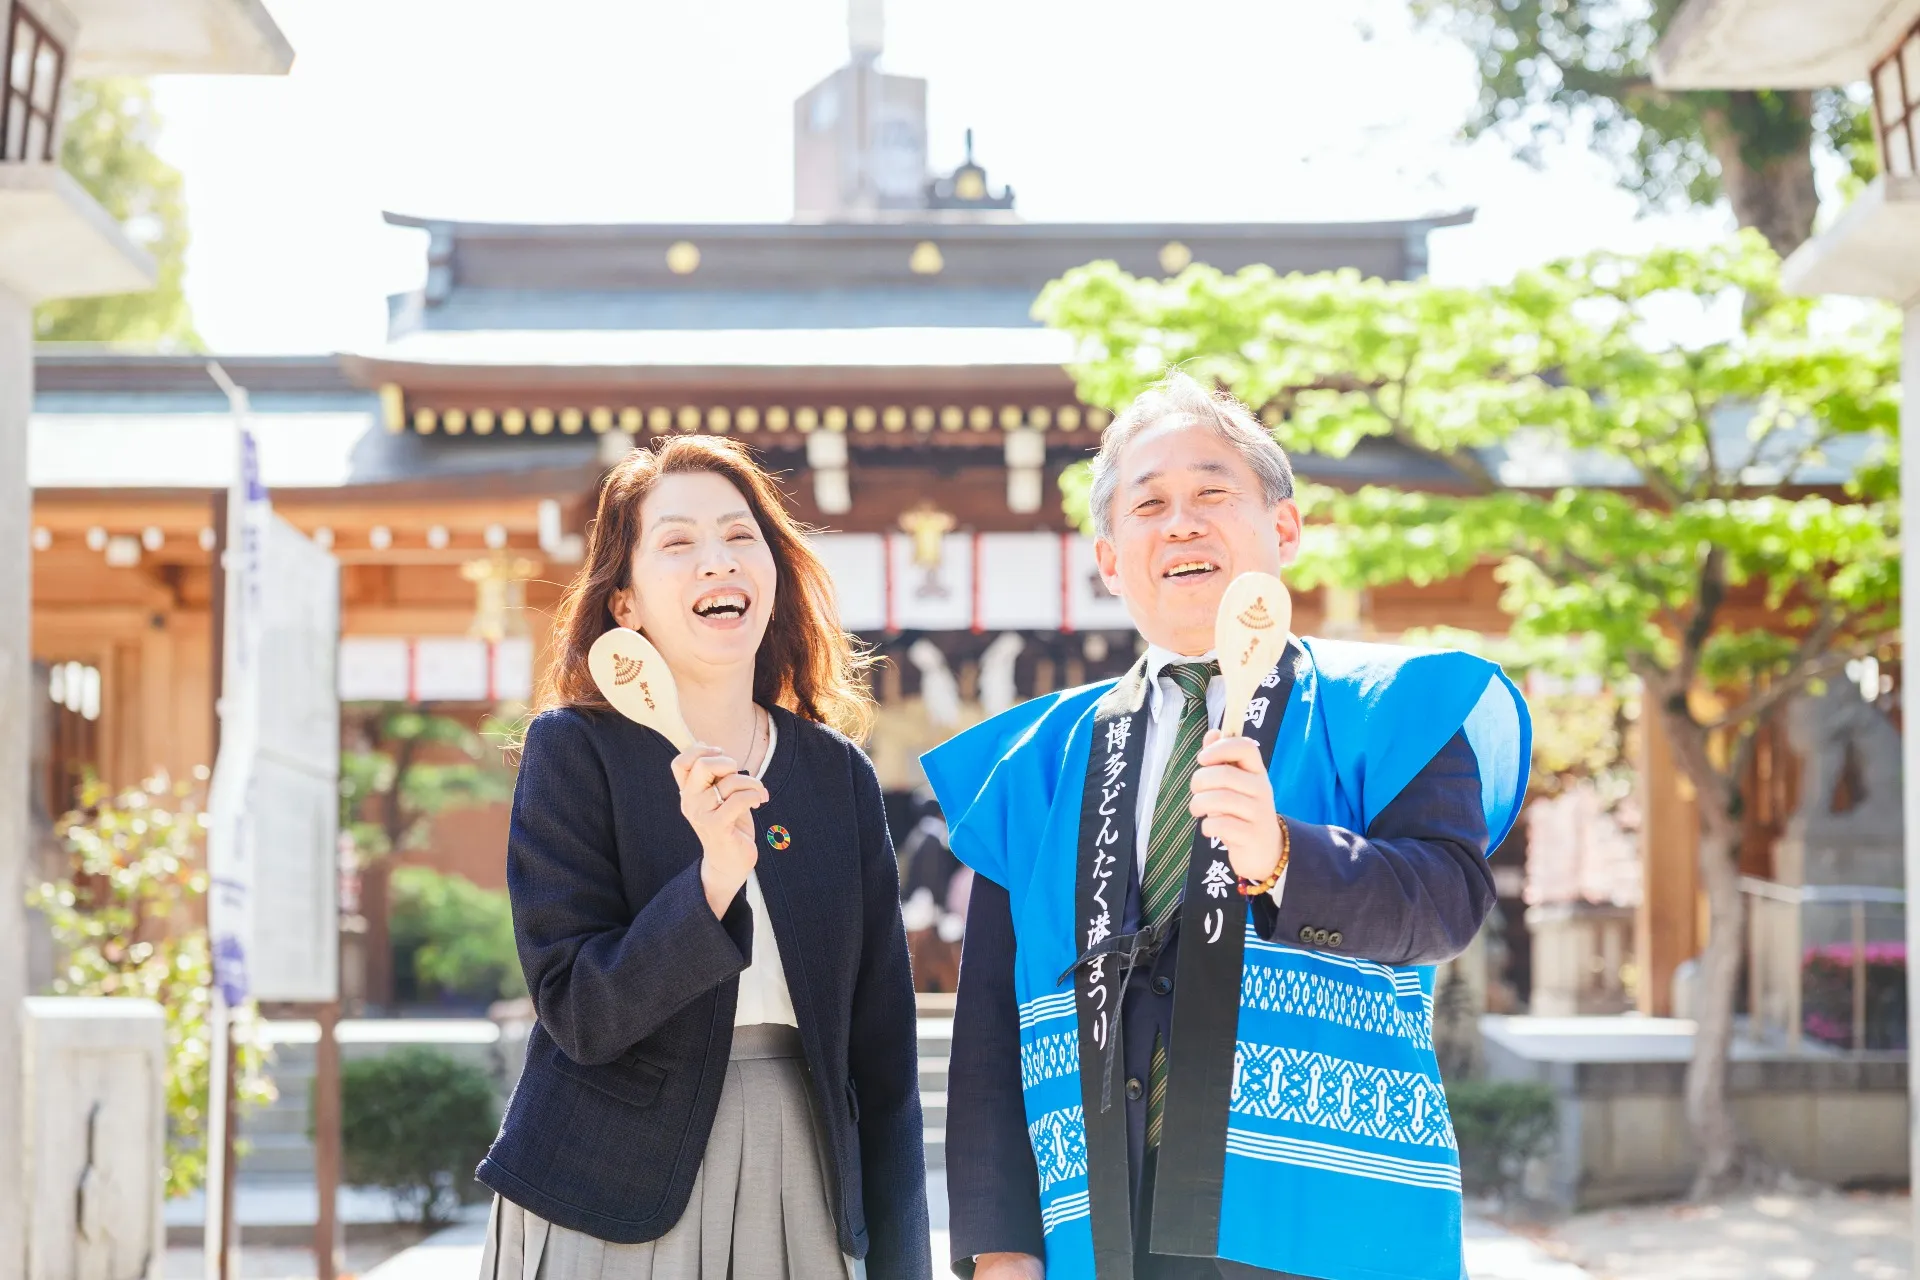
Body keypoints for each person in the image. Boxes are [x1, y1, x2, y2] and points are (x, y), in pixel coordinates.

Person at [923, 373, 1530, 1280]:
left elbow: (1447, 904)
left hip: (1322, 1220)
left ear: (1284, 529)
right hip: (1102, 1222)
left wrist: (1284, 855)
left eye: (1212, 494)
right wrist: (1000, 1246)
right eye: (1149, 505)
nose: (1181, 524)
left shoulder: (1391, 707)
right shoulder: (1036, 761)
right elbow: (988, 1024)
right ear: (1109, 559)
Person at [476, 435, 931, 1280]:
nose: (716, 560)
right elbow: (580, 1014)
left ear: (772, 574)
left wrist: (904, 1263)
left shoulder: (835, 774)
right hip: (605, 1186)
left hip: (803, 1170)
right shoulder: (574, 751)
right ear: (625, 603)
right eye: (677, 542)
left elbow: (883, 1056)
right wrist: (712, 883)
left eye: (739, 535)